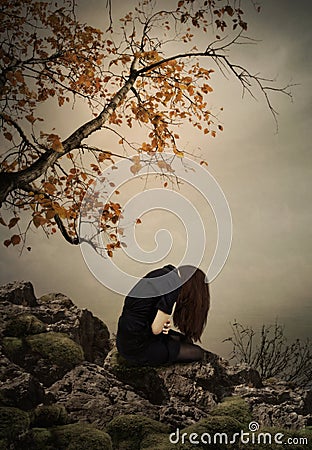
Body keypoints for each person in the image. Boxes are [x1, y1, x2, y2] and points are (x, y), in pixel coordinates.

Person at [116, 264, 210, 366]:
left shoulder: (165, 274)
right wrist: (162, 323)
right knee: (197, 352)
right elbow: (156, 330)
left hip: (125, 338)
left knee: (183, 339)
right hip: (137, 347)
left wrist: (162, 322)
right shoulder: (174, 285)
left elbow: (144, 309)